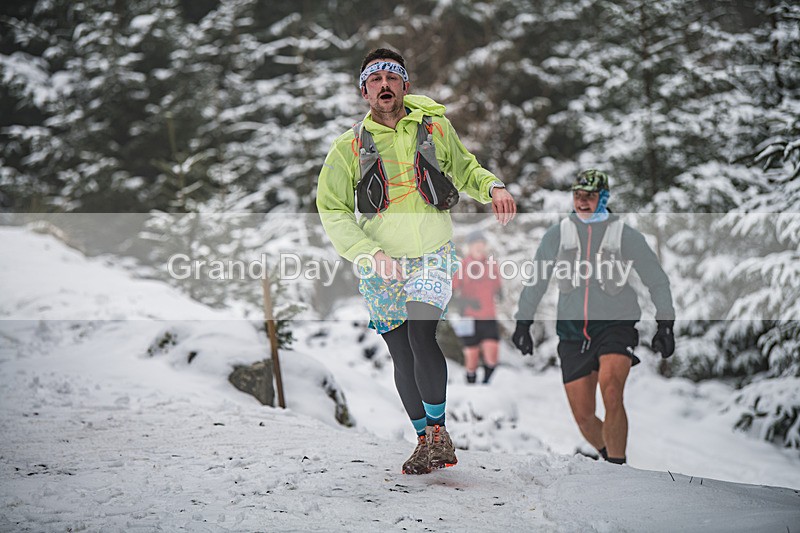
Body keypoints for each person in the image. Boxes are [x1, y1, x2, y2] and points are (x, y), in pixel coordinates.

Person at [316, 48, 517, 475]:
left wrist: (493, 187)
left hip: (432, 255)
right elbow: (332, 210)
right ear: (364, 91)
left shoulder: (434, 128)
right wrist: (368, 253)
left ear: (405, 86)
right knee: (402, 353)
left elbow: (465, 170)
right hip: (380, 264)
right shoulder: (348, 147)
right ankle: (424, 440)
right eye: (375, 80)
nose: (384, 85)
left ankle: (439, 432)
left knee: (422, 335)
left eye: (392, 77)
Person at [512, 169, 675, 465]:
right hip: (573, 333)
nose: (582, 201)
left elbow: (656, 278)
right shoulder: (559, 234)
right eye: (577, 195)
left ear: (604, 198)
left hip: (615, 326)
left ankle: (616, 470)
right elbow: (537, 279)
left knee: (612, 391)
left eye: (590, 196)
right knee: (585, 417)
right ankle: (610, 459)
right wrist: (523, 322)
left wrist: (666, 323)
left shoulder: (624, 234)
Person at [452, 231, 502, 384]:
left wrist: (501, 292)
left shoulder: (492, 264)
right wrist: (465, 302)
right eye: (476, 245)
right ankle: (471, 384)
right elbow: (452, 293)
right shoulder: (463, 265)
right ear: (470, 248)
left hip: (488, 315)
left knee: (492, 355)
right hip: (469, 317)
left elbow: (498, 285)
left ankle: (485, 384)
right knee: (472, 356)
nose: (479, 247)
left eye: (482, 244)